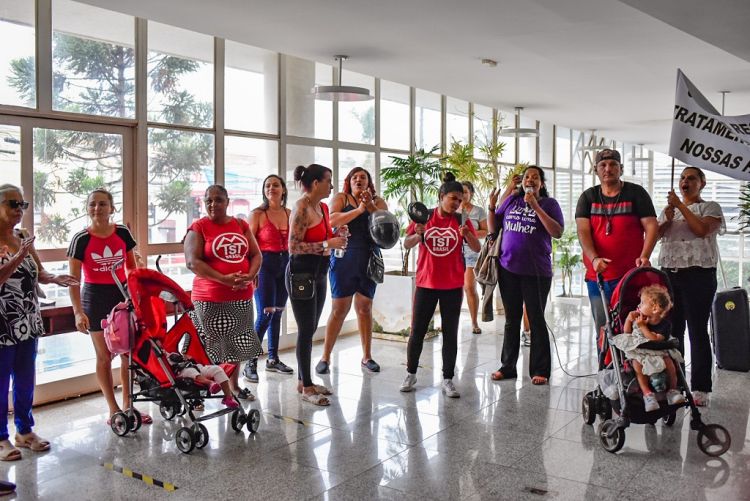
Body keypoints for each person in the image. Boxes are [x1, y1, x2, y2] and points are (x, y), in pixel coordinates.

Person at [1, 184, 77, 460]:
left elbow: (38, 273)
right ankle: (0, 438)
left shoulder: (22, 236)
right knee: (0, 381)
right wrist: (19, 256)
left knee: (25, 378)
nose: (19, 210)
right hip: (2, 323)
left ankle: (24, 430)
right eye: (13, 204)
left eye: (23, 205)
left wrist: (55, 278)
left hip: (27, 318)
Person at [67, 188, 152, 425]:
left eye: (102, 204)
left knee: (128, 355)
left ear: (111, 208)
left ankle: (128, 405)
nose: (97, 208)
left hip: (121, 296)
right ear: (87, 208)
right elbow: (74, 280)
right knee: (104, 357)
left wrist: (136, 299)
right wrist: (77, 312)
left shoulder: (123, 233)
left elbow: (132, 269)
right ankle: (113, 409)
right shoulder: (80, 239)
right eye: (92, 204)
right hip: (94, 299)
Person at [399, 172, 480, 397]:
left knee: (450, 333)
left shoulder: (461, 220)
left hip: (453, 286)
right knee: (417, 331)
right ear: (442, 196)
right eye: (453, 198)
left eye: (460, 200)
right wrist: (418, 234)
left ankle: (447, 379)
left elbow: (477, 248)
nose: (456, 203)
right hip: (426, 284)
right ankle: (411, 373)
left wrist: (467, 235)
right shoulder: (425, 216)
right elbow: (407, 243)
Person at [184, 185, 263, 401]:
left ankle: (234, 386)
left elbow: (256, 255)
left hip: (241, 297)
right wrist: (223, 279)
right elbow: (192, 262)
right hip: (209, 299)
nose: (213, 204)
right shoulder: (199, 227)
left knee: (235, 344)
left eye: (218, 200)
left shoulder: (240, 224)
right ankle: (197, 391)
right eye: (208, 200)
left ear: (227, 201)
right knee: (204, 346)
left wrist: (249, 275)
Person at [487, 166, 563, 385]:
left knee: (536, 318)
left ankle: (540, 369)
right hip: (508, 268)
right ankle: (508, 366)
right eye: (527, 176)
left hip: (536, 271)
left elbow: (557, 232)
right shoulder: (512, 200)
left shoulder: (550, 204)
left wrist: (536, 206)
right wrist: (492, 207)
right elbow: (494, 229)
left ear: (542, 183)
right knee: (511, 320)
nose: (530, 180)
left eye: (535, 177)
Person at [575, 148, 658, 346]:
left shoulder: (636, 193)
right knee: (603, 329)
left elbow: (651, 225)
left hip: (631, 276)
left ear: (620, 168)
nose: (608, 169)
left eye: (613, 165)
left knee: (632, 327)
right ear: (596, 170)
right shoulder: (588, 197)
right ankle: (608, 374)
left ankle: (631, 371)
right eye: (603, 165)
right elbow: (583, 232)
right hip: (598, 277)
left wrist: (645, 255)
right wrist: (594, 258)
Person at [658, 166, 724, 406]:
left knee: (697, 330)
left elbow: (701, 230)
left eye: (691, 178)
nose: (685, 181)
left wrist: (682, 206)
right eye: (682, 178)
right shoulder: (671, 210)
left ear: (702, 183)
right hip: (670, 275)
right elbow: (654, 236)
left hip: (699, 276)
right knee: (673, 331)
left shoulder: (710, 207)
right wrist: (667, 214)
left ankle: (701, 388)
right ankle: (675, 383)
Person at [317, 167, 388, 375]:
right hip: (344, 258)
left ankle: (367, 356)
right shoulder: (341, 197)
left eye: (363, 177)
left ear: (369, 182)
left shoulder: (378, 200)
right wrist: (358, 210)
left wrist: (371, 206)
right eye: (354, 177)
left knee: (365, 307)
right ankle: (325, 357)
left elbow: (385, 224)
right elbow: (331, 220)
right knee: (339, 308)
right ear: (349, 181)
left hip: (369, 258)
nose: (359, 180)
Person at [287, 164, 348, 406]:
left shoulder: (322, 207)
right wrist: (327, 244)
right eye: (328, 180)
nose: (331, 186)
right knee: (305, 329)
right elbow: (293, 247)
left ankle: (304, 381)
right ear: (315, 184)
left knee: (311, 328)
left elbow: (324, 238)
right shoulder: (301, 207)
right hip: (301, 273)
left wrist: (336, 235)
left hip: (320, 273)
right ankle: (307, 387)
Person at [242, 175, 294, 383]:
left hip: (286, 265)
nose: (271, 188)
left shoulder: (290, 213)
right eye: (267, 185)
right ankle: (250, 362)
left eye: (275, 185)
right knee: (265, 314)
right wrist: (251, 272)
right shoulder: (257, 214)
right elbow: (248, 247)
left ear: (283, 189)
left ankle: (273, 358)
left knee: (278, 313)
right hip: (264, 266)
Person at [618, 285, 686, 412]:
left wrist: (642, 327)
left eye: (643, 303)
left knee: (670, 363)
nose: (639, 305)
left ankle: (672, 390)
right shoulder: (639, 320)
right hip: (640, 353)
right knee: (637, 365)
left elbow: (654, 339)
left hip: (658, 351)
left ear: (654, 308)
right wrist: (628, 320)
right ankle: (647, 394)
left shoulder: (665, 324)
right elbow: (627, 334)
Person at [159, 340, 239, 409]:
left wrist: (184, 358)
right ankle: (210, 383)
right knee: (190, 372)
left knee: (217, 369)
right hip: (181, 372)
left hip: (196, 367)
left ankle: (228, 397)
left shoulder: (172, 353)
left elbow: (185, 358)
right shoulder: (160, 361)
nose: (162, 348)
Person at [459, 181, 488, 334]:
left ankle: (474, 322)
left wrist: (469, 234)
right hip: (454, 251)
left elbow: (486, 231)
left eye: (465, 192)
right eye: (460, 192)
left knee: (469, 287)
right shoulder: (453, 210)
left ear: (471, 193)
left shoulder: (478, 211)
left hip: (473, 251)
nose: (463, 195)